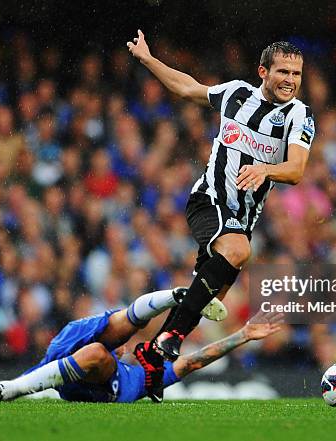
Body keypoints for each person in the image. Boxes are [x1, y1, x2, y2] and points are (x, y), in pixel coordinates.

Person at [127, 30, 315, 401]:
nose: (290, 81)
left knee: (205, 299)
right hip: (208, 201)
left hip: (243, 219)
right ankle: (167, 339)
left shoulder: (300, 116)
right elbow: (186, 88)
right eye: (283, 73)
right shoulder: (236, 94)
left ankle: (151, 359)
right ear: (263, 71)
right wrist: (149, 60)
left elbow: (295, 170)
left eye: (296, 75)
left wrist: (265, 169)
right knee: (238, 252)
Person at [0, 295, 280, 404]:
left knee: (95, 351)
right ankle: (171, 297)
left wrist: (243, 335)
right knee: (91, 342)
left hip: (92, 375)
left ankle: (4, 390)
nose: (124, 348)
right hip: (75, 372)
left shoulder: (143, 379)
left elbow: (193, 361)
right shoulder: (113, 355)